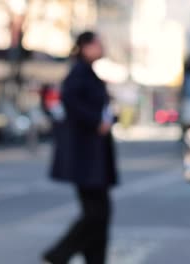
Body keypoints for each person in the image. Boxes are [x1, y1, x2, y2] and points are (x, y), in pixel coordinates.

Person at [43, 31, 118, 264]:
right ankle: (59, 253)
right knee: (96, 213)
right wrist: (97, 122)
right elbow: (71, 103)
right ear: (85, 47)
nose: (102, 47)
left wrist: (107, 119)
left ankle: (93, 259)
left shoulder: (88, 73)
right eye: (98, 43)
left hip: (93, 157)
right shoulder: (79, 73)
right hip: (86, 158)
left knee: (99, 214)